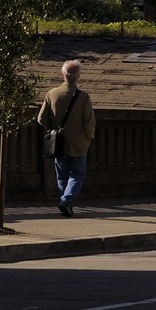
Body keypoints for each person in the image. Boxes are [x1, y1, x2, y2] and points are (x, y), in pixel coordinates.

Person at [38, 59, 96, 217]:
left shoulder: (52, 94)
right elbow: (89, 123)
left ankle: (65, 202)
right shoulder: (83, 97)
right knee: (77, 174)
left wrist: (52, 129)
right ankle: (66, 202)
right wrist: (89, 138)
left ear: (62, 74)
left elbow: (41, 118)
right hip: (79, 143)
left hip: (59, 142)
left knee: (62, 175)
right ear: (78, 76)